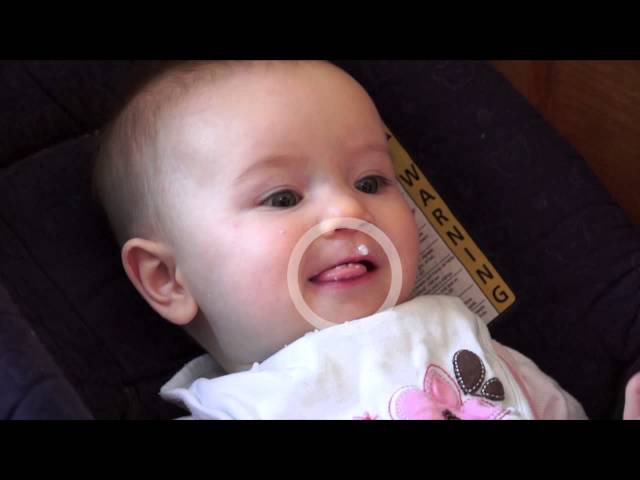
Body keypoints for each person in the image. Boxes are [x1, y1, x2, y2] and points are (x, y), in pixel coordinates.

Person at [93, 60, 638, 419]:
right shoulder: (235, 409)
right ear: (168, 279)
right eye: (282, 198)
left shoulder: (458, 333)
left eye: (371, 182)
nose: (349, 210)